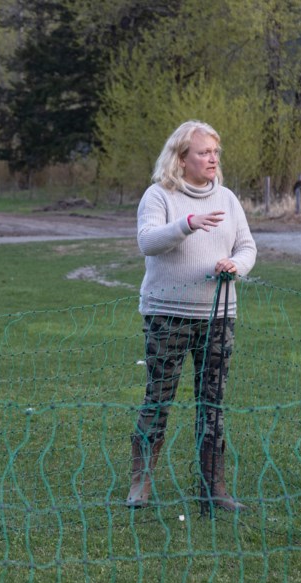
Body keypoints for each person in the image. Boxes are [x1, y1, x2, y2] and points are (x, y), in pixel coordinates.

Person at [125, 120, 257, 512]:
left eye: (215, 152)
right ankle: (140, 484)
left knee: (212, 403)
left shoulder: (229, 199)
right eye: (203, 152)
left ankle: (211, 488)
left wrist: (235, 265)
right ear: (181, 159)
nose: (212, 159)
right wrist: (186, 225)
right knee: (158, 399)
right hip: (167, 315)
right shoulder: (158, 196)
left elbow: (247, 247)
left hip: (218, 316)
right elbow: (147, 241)